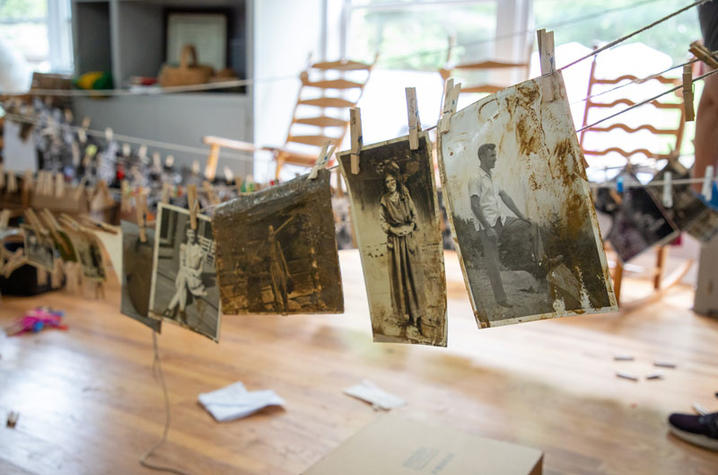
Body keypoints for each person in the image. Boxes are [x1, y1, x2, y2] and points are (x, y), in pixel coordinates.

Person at [468, 143, 531, 309]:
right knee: (492, 262)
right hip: (487, 225)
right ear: (482, 157)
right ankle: (501, 299)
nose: (495, 158)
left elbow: (505, 197)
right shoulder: (475, 178)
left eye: (495, 155)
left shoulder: (494, 176)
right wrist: (487, 228)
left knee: (530, 227)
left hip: (501, 220)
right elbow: (474, 205)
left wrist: (522, 217)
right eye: (492, 156)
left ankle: (543, 262)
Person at [379, 170, 425, 333]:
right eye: (387, 182)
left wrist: (409, 228)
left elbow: (414, 216)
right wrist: (392, 229)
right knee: (401, 277)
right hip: (395, 243)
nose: (390, 184)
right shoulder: (384, 200)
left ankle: (417, 315)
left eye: (392, 181)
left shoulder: (405, 197)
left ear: (397, 182)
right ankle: (404, 315)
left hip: (409, 240)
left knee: (413, 275)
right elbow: (382, 221)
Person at [163, 227, 207, 322]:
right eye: (189, 233)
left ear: (195, 235)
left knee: (182, 283)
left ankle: (169, 309)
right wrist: (189, 271)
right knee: (183, 279)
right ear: (186, 234)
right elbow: (181, 265)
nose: (191, 236)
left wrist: (194, 272)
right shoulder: (183, 247)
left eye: (193, 233)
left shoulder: (200, 250)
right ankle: (181, 311)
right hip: (184, 273)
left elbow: (200, 270)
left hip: (194, 279)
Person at [267, 216, 294, 313]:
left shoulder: (277, 244)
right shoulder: (266, 245)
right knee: (275, 288)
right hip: (271, 267)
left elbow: (282, 258)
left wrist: (287, 272)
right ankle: (279, 309)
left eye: (271, 232)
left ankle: (286, 307)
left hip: (278, 266)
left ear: (274, 233)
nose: (270, 234)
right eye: (269, 232)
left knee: (283, 286)